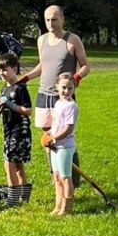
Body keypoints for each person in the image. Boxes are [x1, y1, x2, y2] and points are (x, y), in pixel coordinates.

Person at [17, 5, 90, 133]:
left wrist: (75, 78)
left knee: (63, 136)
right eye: (47, 20)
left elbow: (85, 66)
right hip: (43, 94)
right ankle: (50, 154)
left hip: (62, 94)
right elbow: (42, 66)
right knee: (47, 138)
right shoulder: (41, 40)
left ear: (62, 19)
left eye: (54, 19)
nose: (50, 23)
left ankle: (70, 154)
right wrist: (25, 78)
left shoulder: (72, 40)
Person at [0, 53, 33, 206]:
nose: (0, 73)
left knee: (8, 162)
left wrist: (10, 104)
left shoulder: (20, 88)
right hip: (8, 130)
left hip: (19, 131)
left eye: (4, 70)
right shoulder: (4, 89)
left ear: (15, 69)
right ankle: (23, 196)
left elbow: (28, 110)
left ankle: (13, 199)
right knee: (17, 165)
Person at [44, 73, 78, 215]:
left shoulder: (71, 106)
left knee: (65, 177)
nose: (66, 91)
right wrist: (49, 134)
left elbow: (68, 128)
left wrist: (54, 138)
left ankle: (67, 207)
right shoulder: (58, 104)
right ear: (57, 86)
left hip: (65, 146)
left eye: (70, 88)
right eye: (63, 87)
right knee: (57, 176)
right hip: (55, 145)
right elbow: (57, 123)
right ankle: (58, 205)